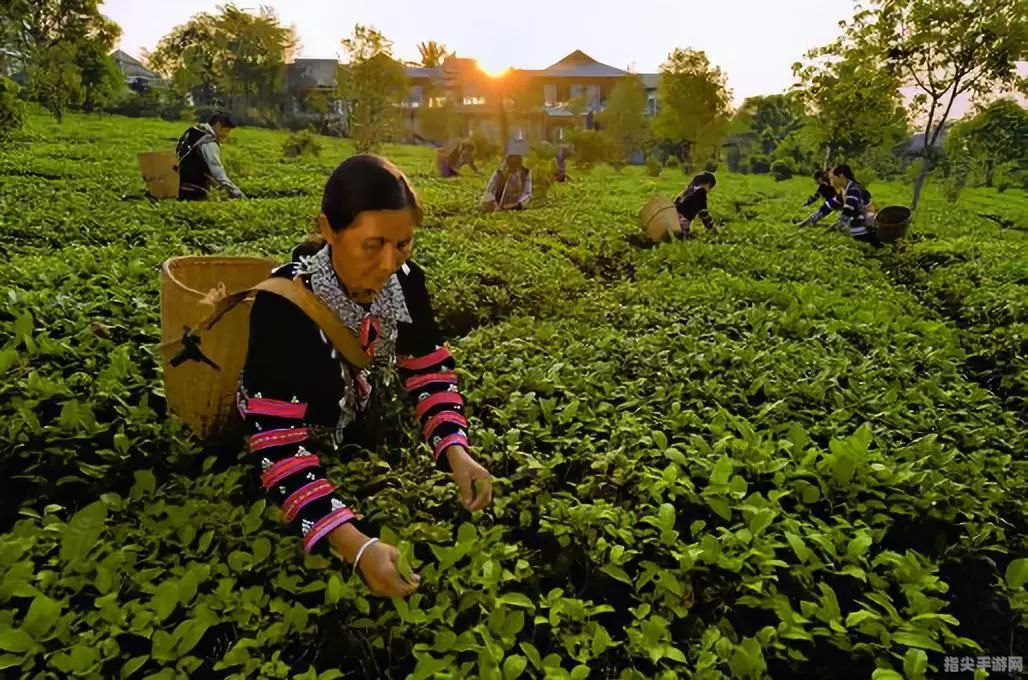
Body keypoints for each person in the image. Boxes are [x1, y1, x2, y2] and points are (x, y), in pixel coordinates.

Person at [238, 155, 493, 599]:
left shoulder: (407, 283)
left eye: (403, 245)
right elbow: (276, 443)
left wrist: (456, 449)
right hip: (291, 440)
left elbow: (429, 371)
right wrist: (354, 544)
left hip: (352, 424)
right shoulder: (282, 305)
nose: (389, 263)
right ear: (328, 230)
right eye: (372, 246)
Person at [176, 113, 246, 201]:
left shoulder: (195, 131)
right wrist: (237, 193)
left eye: (228, 131)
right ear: (217, 125)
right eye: (223, 130)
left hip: (180, 185)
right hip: (195, 190)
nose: (225, 134)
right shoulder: (209, 143)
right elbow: (218, 173)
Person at [828, 164, 880, 246]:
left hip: (865, 226)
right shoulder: (844, 190)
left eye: (832, 177)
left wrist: (836, 225)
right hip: (859, 224)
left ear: (841, 176)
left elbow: (847, 211)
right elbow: (827, 207)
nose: (831, 181)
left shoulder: (854, 190)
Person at [479, 142, 532, 212]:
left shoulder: (525, 173)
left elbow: (527, 193)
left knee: (528, 204)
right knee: (485, 203)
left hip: (515, 203)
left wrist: (512, 205)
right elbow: (490, 191)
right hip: (497, 202)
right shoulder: (499, 173)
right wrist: (495, 204)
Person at [673, 171, 717, 239]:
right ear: (708, 184)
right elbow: (703, 214)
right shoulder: (701, 192)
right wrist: (713, 229)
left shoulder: (690, 190)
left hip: (672, 219)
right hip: (680, 225)